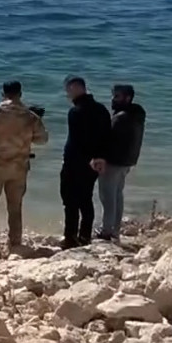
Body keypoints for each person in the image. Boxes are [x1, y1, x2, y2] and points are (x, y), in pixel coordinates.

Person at [0, 81, 49, 255]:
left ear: (3, 94)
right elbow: (42, 139)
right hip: (19, 167)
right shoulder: (30, 116)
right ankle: (14, 245)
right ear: (20, 94)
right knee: (15, 207)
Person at [60, 76, 113, 248]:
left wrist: (75, 161)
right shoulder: (102, 110)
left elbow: (77, 141)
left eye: (68, 90)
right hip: (94, 162)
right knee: (86, 199)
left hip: (75, 163)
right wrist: (100, 157)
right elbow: (107, 137)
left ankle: (70, 238)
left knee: (70, 201)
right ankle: (85, 236)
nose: (67, 95)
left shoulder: (75, 112)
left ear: (75, 89)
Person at [98, 84, 147, 242]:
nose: (113, 99)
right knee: (117, 196)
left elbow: (106, 140)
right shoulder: (137, 114)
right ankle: (115, 230)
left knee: (107, 197)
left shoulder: (120, 118)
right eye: (113, 96)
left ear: (127, 98)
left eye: (117, 96)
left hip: (114, 162)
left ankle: (106, 231)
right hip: (128, 161)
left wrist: (99, 158)